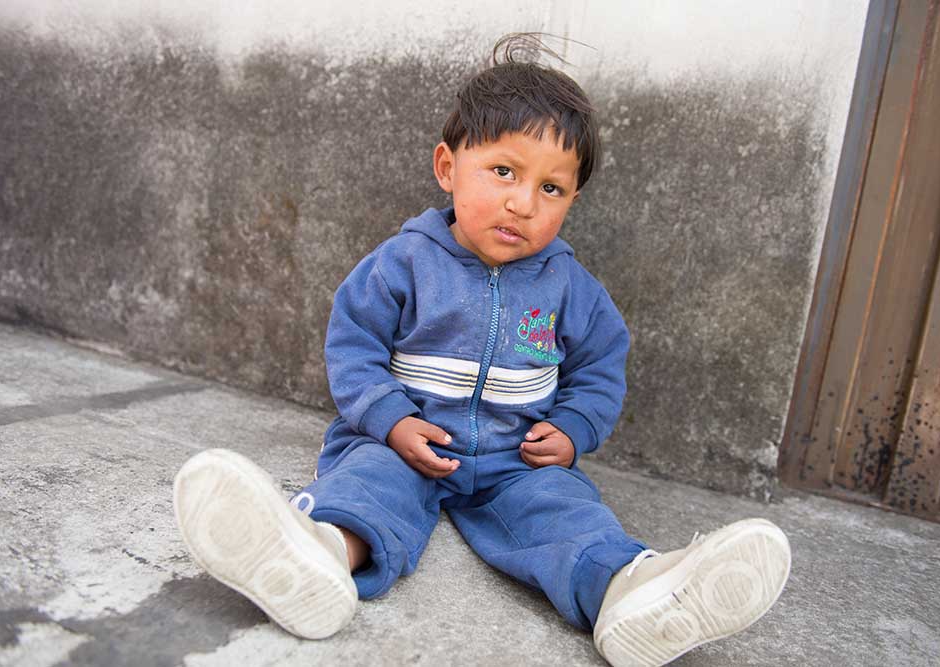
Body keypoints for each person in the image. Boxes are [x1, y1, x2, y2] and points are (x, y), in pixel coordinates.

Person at [173, 33, 791, 666]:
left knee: (568, 515)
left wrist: (574, 429)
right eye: (504, 171)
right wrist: (390, 420)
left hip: (514, 464)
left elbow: (601, 367)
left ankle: (631, 591)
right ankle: (318, 554)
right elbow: (353, 345)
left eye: (552, 189)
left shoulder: (570, 288)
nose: (523, 203)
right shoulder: (403, 263)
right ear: (448, 167)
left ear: (572, 200)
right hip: (404, 445)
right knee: (366, 488)